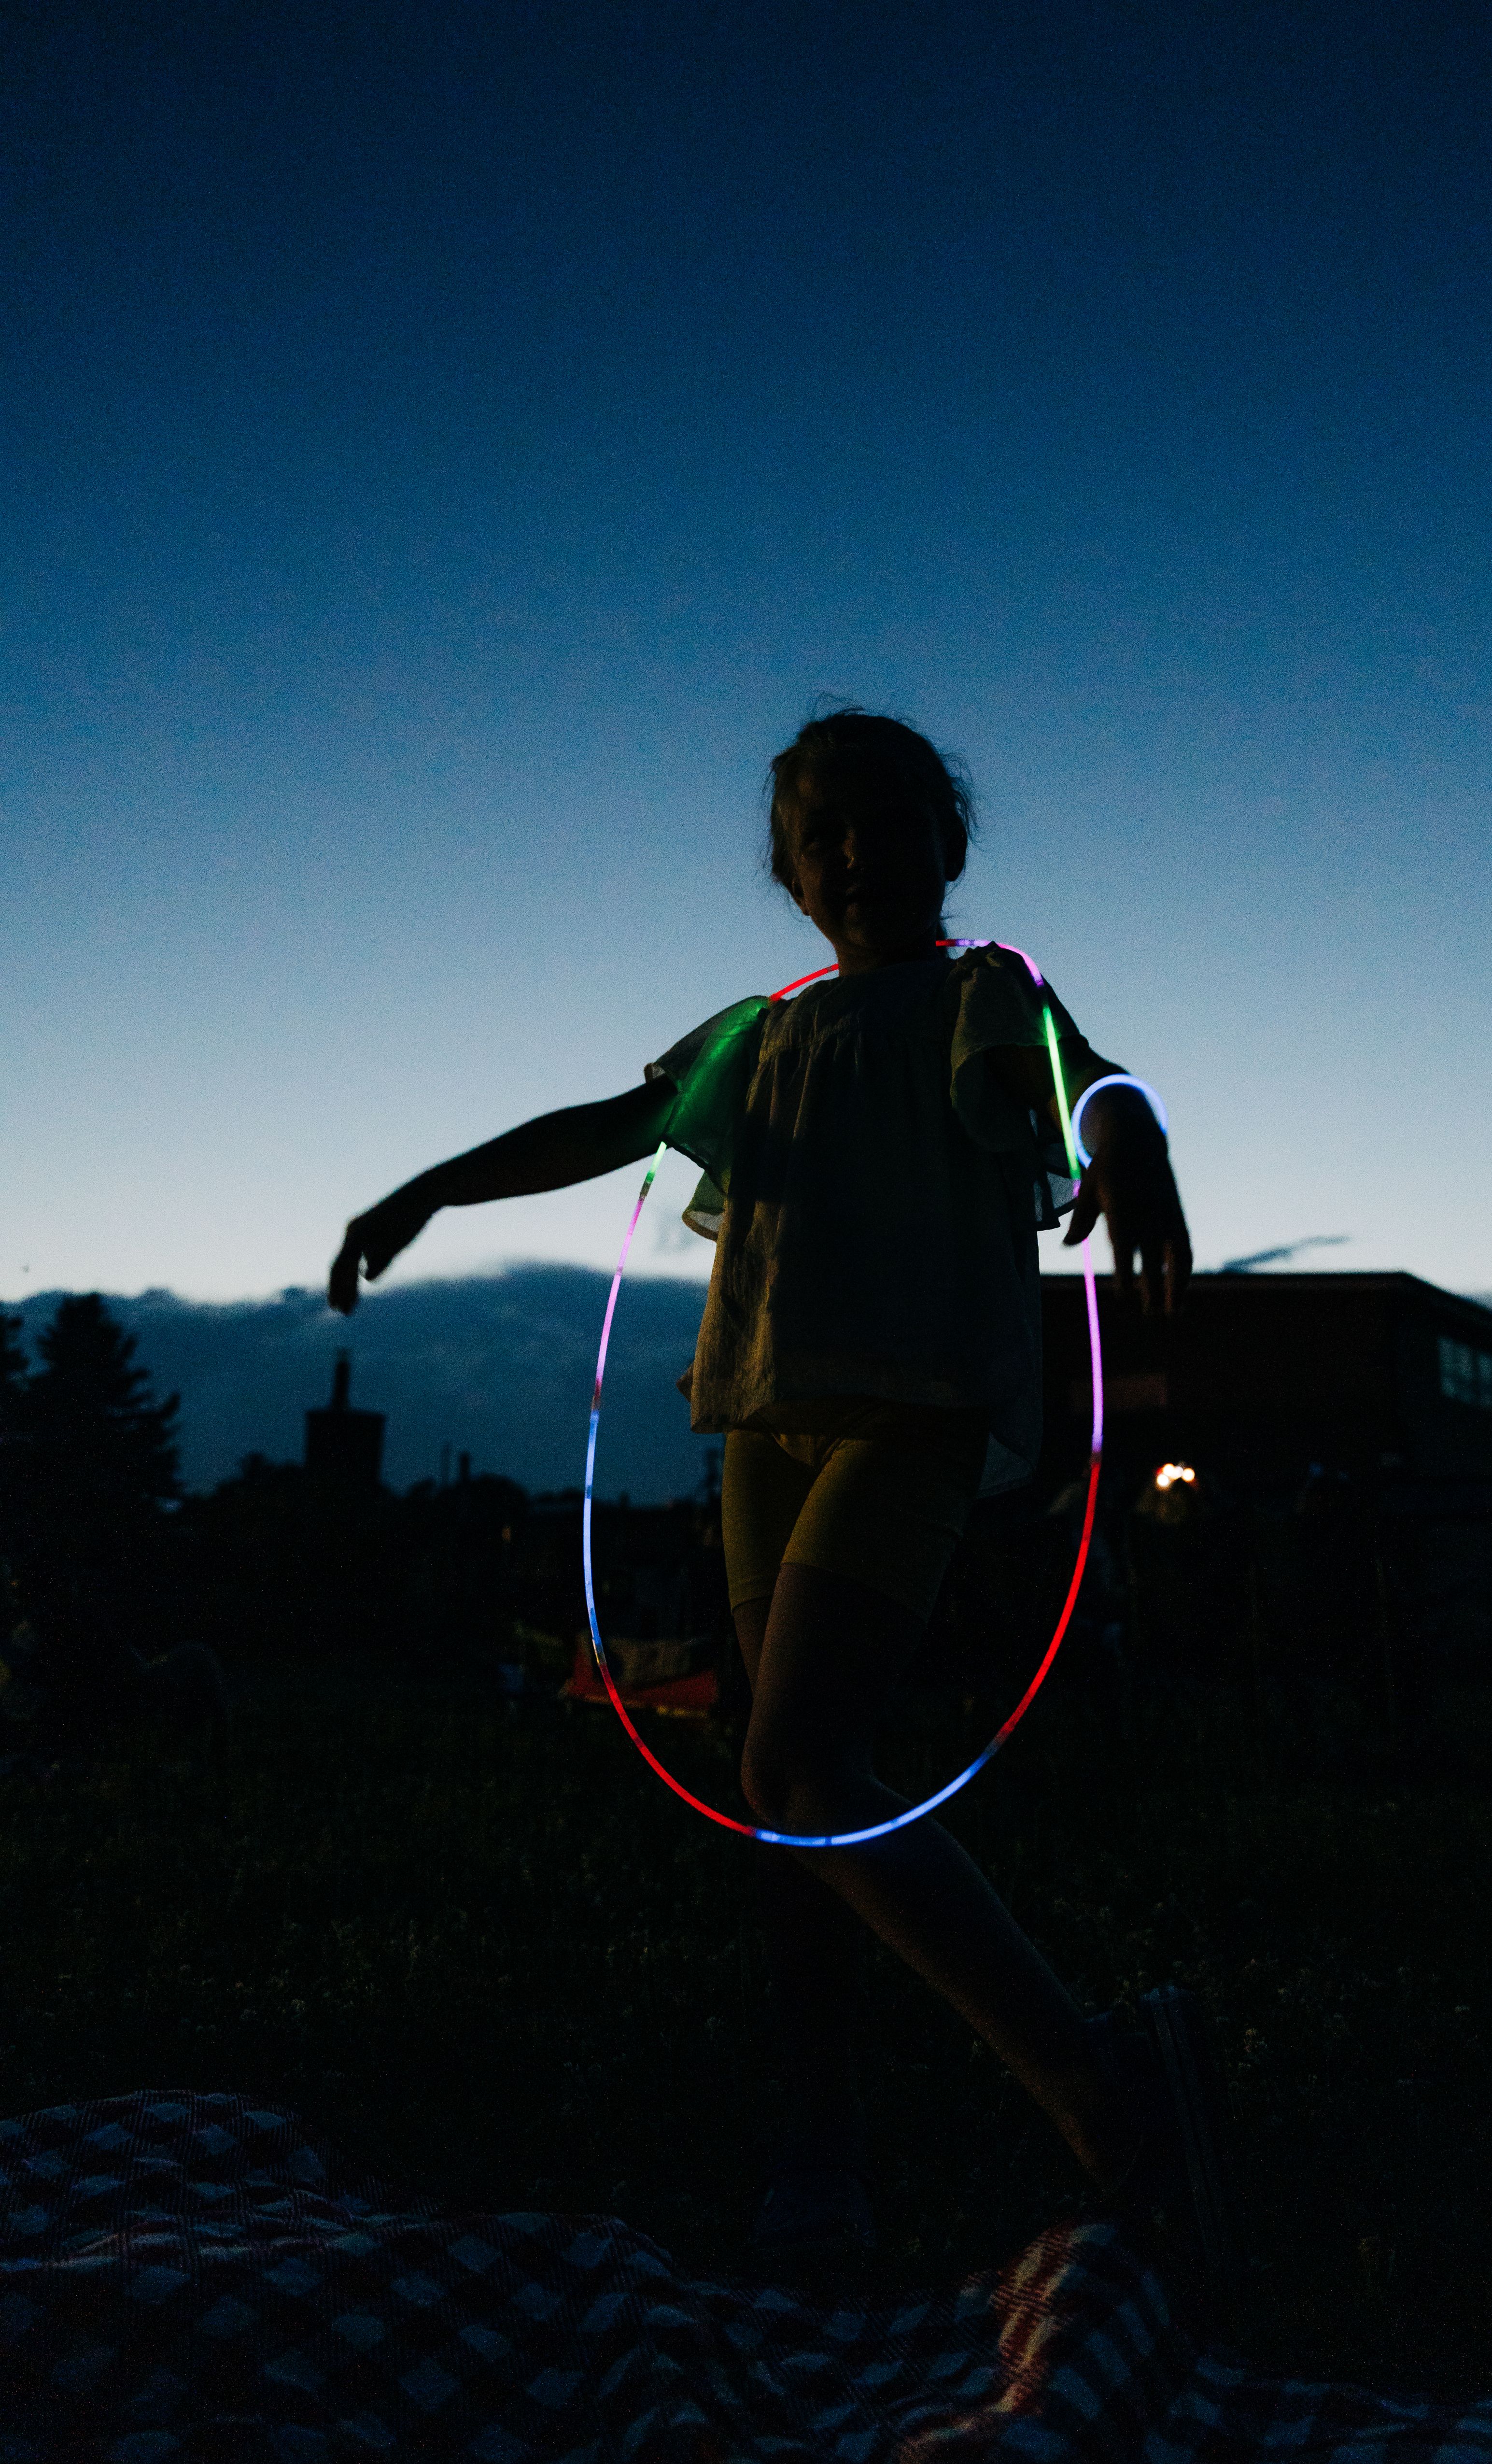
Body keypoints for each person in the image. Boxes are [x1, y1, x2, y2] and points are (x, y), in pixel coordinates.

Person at [328, 708, 1217, 2271]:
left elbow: (1097, 1078)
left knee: (801, 1752)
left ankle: (1098, 2080)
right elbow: (609, 1128)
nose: (861, 851)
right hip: (765, 1422)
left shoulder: (977, 991)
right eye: (827, 835)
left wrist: (1130, 1142)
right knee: (779, 1782)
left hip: (916, 1406)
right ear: (792, 878)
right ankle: (822, 2147)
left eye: (889, 817)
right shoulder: (756, 1031)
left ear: (950, 836)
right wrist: (426, 1186)